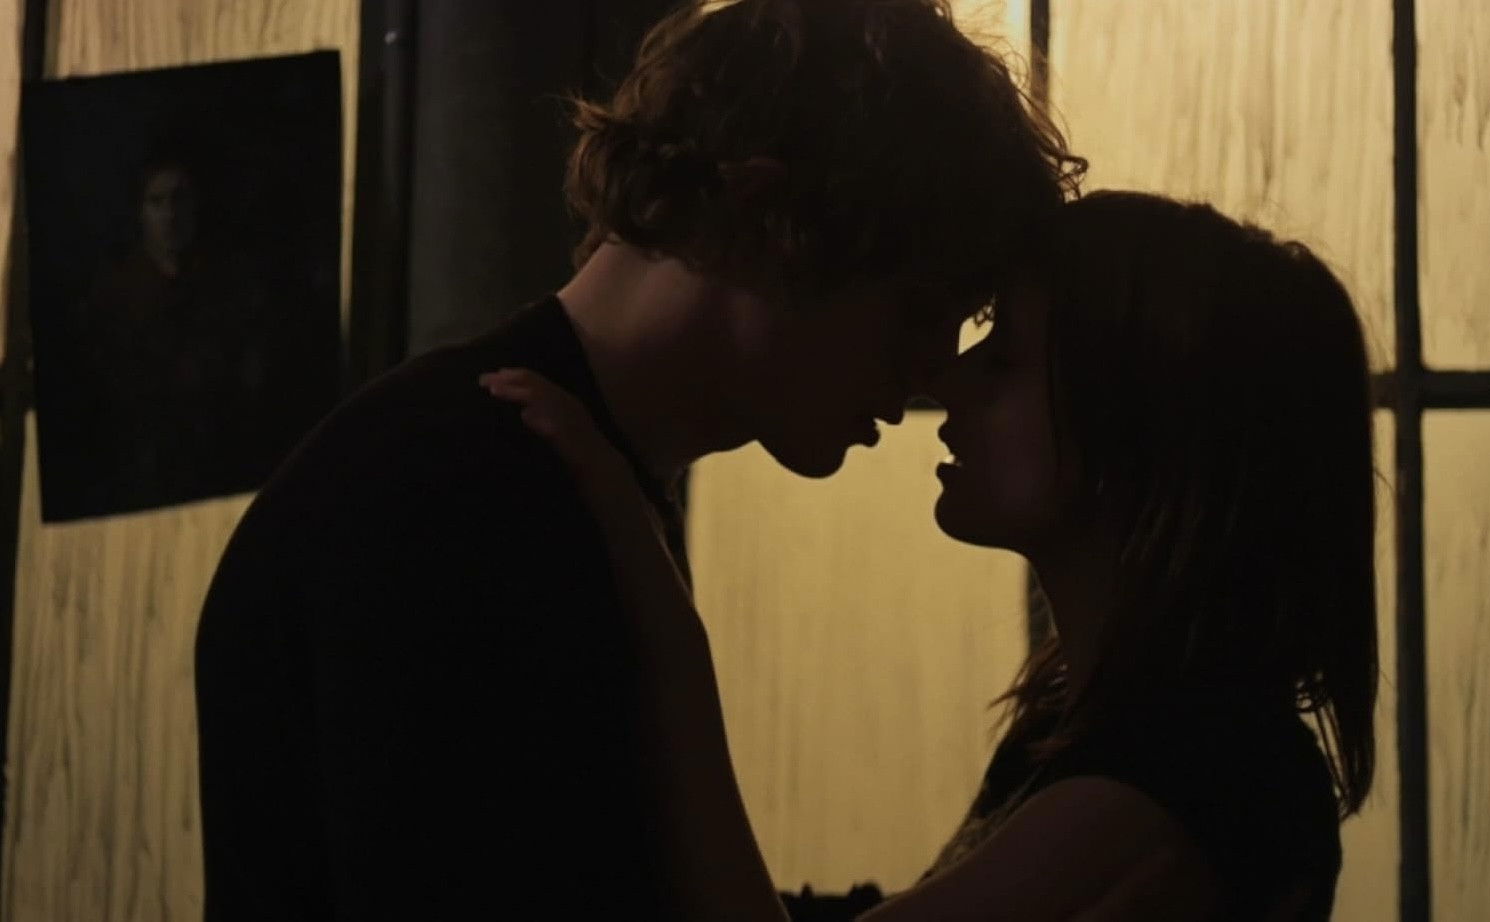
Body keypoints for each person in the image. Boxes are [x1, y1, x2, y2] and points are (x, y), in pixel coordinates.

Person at [192, 0, 1082, 918]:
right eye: (916, 311)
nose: (935, 368)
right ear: (759, 218)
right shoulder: (458, 500)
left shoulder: (543, 477)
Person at [482, 190, 1380, 920]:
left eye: (1004, 359)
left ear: (1139, 432)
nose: (945, 377)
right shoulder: (1105, 731)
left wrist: (655, 603)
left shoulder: (1191, 780)